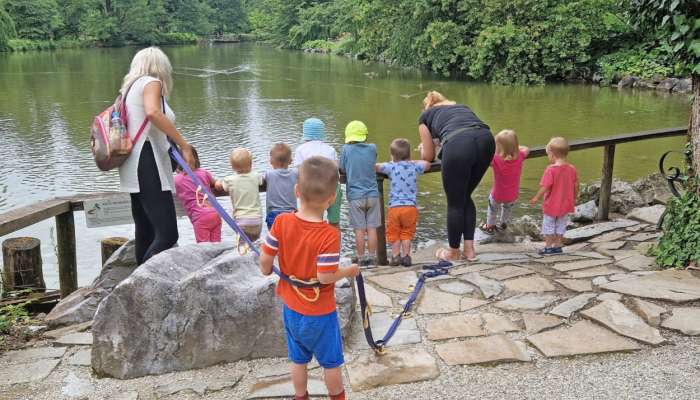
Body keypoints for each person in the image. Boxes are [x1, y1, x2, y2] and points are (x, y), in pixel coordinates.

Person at [259, 156, 359, 400]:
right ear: (332, 199)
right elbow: (325, 277)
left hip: (291, 309)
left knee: (298, 359)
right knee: (331, 362)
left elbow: (265, 261)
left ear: (296, 191)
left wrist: (266, 270)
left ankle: (300, 396)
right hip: (319, 313)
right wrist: (349, 271)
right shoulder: (329, 235)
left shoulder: (281, 222)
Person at [118, 46, 195, 265]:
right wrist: (184, 146)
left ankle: (138, 287)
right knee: (168, 233)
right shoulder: (152, 82)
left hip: (131, 164)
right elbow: (153, 113)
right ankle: (144, 283)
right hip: (148, 161)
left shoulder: (128, 88)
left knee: (145, 230)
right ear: (161, 67)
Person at [418, 91, 495, 262]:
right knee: (464, 196)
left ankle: (453, 252)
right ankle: (469, 250)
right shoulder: (461, 108)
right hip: (486, 140)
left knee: (454, 202)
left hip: (459, 144)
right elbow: (460, 128)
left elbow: (428, 157)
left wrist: (424, 149)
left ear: (428, 106)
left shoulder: (425, 116)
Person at [376, 138, 431, 267]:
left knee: (394, 233)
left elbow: (376, 167)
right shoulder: (414, 166)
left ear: (392, 156)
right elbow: (427, 164)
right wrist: (414, 160)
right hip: (410, 208)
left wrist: (389, 162)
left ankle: (395, 257)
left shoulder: (391, 167)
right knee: (407, 233)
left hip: (395, 208)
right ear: (409, 154)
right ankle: (406, 257)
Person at [339, 121, 380, 267]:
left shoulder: (346, 149)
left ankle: (361, 259)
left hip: (355, 196)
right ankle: (372, 257)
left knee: (359, 230)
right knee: (372, 228)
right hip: (373, 195)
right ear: (364, 135)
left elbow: (342, 168)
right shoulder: (372, 148)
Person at [530, 137, 579, 255]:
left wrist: (536, 197)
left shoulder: (550, 170)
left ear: (552, 154)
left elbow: (545, 186)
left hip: (551, 204)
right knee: (561, 224)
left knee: (548, 225)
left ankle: (548, 247)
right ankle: (557, 246)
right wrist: (574, 197)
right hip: (565, 204)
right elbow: (576, 185)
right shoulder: (572, 169)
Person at [293, 118, 342, 228]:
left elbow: (299, 172)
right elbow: (335, 170)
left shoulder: (301, 150)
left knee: (313, 220)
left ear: (305, 134)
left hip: (311, 190)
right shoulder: (330, 149)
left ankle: (315, 242)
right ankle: (334, 243)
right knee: (334, 222)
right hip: (332, 189)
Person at [481, 129, 530, 234]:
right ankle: (503, 224)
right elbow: (526, 149)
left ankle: (490, 226)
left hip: (497, 194)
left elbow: (483, 156)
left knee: (492, 209)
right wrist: (515, 149)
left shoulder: (495, 159)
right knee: (507, 209)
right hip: (512, 194)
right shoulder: (520, 156)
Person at [173, 147, 221, 243]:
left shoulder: (176, 179)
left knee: (203, 249)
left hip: (200, 217)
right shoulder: (204, 173)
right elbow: (216, 183)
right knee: (217, 245)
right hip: (215, 213)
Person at [216, 148, 263, 246]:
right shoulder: (255, 176)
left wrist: (217, 182)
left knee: (242, 247)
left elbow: (219, 186)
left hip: (241, 220)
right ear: (251, 164)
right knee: (256, 245)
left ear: (232, 167)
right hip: (257, 219)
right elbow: (261, 180)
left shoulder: (230, 180)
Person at [264, 143, 298, 229]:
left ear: (271, 161)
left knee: (273, 240)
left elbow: (259, 180)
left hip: (274, 214)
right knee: (290, 239)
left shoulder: (269, 174)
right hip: (292, 214)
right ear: (290, 161)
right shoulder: (295, 174)